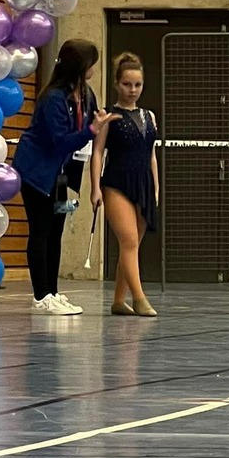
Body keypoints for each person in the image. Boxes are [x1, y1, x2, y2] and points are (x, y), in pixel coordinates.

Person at [13, 39, 119, 315]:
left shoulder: (85, 93)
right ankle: (40, 296)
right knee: (41, 230)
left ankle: (53, 292)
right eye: (91, 63)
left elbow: (93, 121)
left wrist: (102, 122)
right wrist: (92, 130)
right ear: (79, 66)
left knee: (56, 231)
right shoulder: (53, 98)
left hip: (61, 176)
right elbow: (60, 141)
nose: (94, 68)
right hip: (37, 173)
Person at [90, 52, 159, 317]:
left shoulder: (149, 116)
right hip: (116, 183)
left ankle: (119, 300)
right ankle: (139, 298)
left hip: (142, 183)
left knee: (131, 246)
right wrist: (95, 187)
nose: (132, 90)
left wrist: (155, 187)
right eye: (127, 84)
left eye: (137, 84)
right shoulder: (109, 116)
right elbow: (97, 153)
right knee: (129, 240)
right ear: (117, 84)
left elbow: (151, 155)